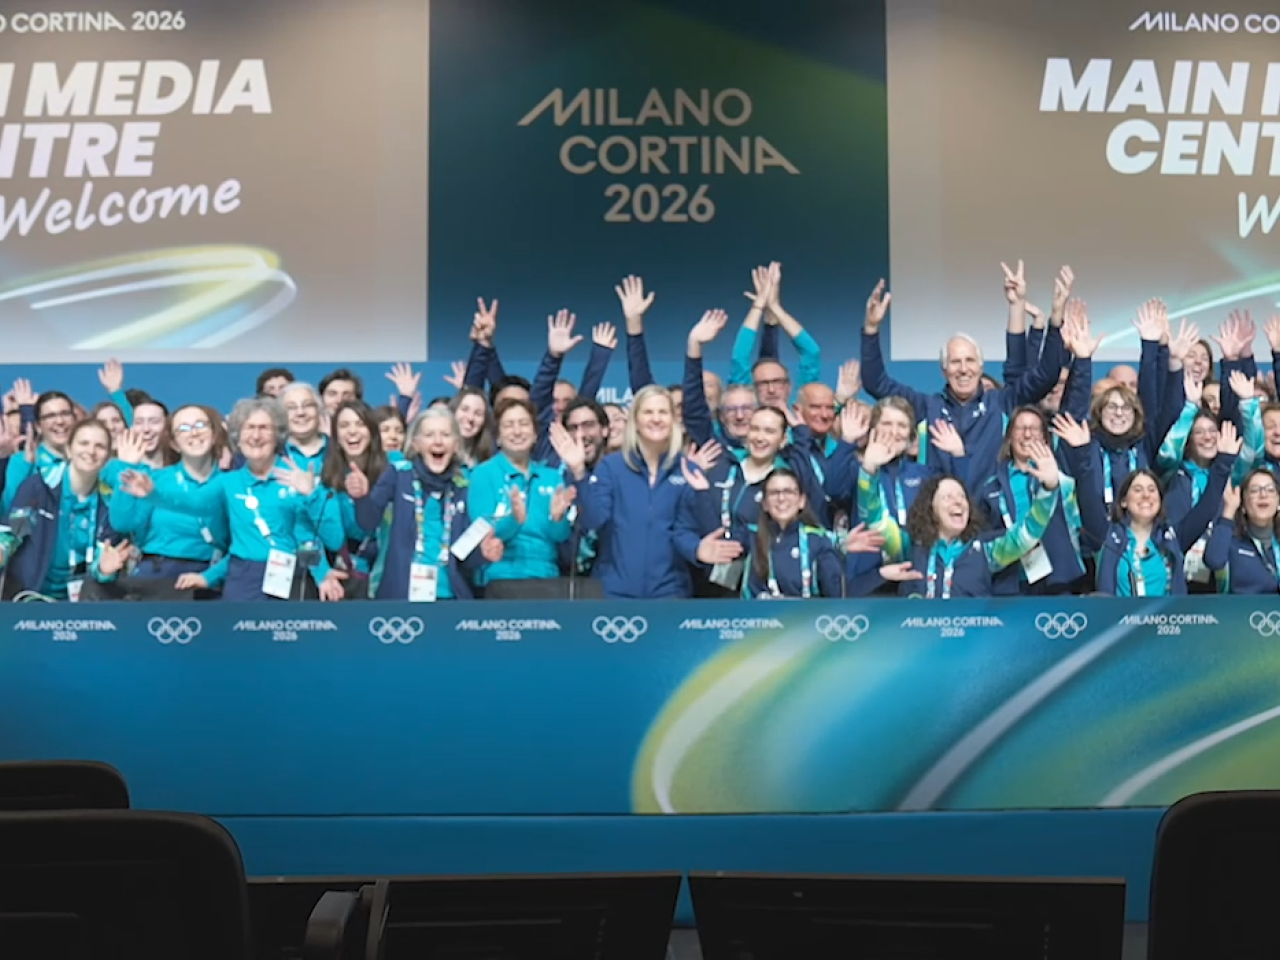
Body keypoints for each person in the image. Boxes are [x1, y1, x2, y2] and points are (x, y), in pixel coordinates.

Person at [121, 397, 345, 601]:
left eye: (264, 428)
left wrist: (321, 571)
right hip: (243, 580)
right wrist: (154, 494)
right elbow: (194, 502)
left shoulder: (301, 476)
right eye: (249, 428)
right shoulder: (229, 482)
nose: (256, 436)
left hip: (291, 578)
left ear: (277, 434)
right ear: (238, 436)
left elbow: (320, 538)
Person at [553, 384, 739, 598]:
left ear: (673, 420)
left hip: (670, 593)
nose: (656, 419)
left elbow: (683, 531)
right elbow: (594, 520)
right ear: (636, 422)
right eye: (648, 412)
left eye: (663, 412)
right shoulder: (611, 467)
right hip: (614, 593)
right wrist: (578, 472)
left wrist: (696, 549)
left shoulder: (688, 469)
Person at [861, 428, 1063, 598]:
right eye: (947, 497)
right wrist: (869, 470)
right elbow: (876, 520)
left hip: (974, 644)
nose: (958, 501)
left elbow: (1027, 534)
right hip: (919, 643)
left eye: (961, 497)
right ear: (930, 508)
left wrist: (1050, 487)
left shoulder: (987, 550)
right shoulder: (911, 547)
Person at [1054, 413, 1237, 596]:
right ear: (1124, 501)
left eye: (1152, 490)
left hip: (1168, 624)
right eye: (1138, 490)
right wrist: (1081, 452)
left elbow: (1207, 506)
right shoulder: (1106, 536)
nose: (1146, 495)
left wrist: (1224, 462)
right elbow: (1088, 497)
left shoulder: (1173, 537)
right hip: (1117, 623)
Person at [348, 407, 486, 600]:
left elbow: (465, 556)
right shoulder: (398, 474)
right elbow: (368, 523)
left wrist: (484, 552)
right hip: (401, 596)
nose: (438, 441)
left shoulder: (462, 487)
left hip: (451, 599)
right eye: (429, 435)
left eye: (445, 435)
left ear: (455, 445)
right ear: (416, 444)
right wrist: (362, 498)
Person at [103, 406, 229, 599]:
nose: (194, 432)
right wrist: (127, 467)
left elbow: (242, 545)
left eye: (201, 425)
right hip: (156, 578)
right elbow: (123, 523)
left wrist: (210, 577)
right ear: (174, 443)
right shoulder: (157, 480)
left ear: (214, 435)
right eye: (184, 428)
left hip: (208, 579)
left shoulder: (232, 484)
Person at [0, 419, 119, 600]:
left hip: (82, 603)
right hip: (30, 596)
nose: (91, 451)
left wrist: (104, 570)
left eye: (100, 446)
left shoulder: (109, 502)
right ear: (69, 449)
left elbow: (102, 564)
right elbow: (12, 535)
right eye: (84, 443)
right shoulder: (39, 487)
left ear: (107, 457)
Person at [466, 397, 573, 585]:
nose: (517, 431)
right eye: (508, 425)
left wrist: (558, 519)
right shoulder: (483, 474)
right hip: (501, 574)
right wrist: (514, 520)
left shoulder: (552, 477)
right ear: (497, 437)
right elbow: (484, 534)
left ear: (535, 435)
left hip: (547, 575)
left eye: (524, 424)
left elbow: (560, 536)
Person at [740, 467, 868, 599]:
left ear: (802, 501)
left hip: (807, 617)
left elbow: (835, 597)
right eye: (774, 493)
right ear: (764, 504)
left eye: (789, 491)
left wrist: (840, 550)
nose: (781, 498)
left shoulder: (818, 541)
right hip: (760, 617)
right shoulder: (752, 537)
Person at [1204, 469, 1280, 593]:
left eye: (1270, 490)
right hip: (1240, 610)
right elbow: (1214, 561)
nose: (1263, 494)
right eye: (1254, 490)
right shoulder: (1233, 543)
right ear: (1243, 505)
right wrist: (1229, 510)